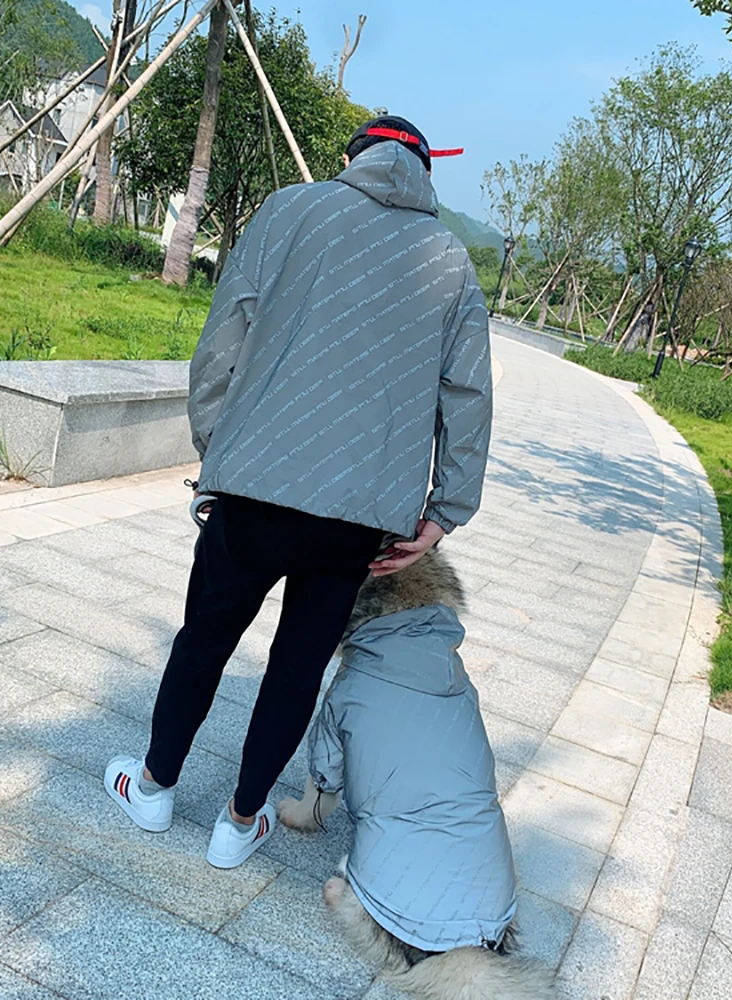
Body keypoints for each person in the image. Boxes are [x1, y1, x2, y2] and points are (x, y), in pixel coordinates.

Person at [105, 115, 493, 869]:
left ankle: (152, 788)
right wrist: (445, 511)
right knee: (297, 665)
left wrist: (216, 447)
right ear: (424, 172)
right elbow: (468, 394)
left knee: (205, 637)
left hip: (255, 485)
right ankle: (239, 822)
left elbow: (225, 334)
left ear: (353, 157)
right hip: (357, 515)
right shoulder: (450, 259)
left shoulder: (290, 209)